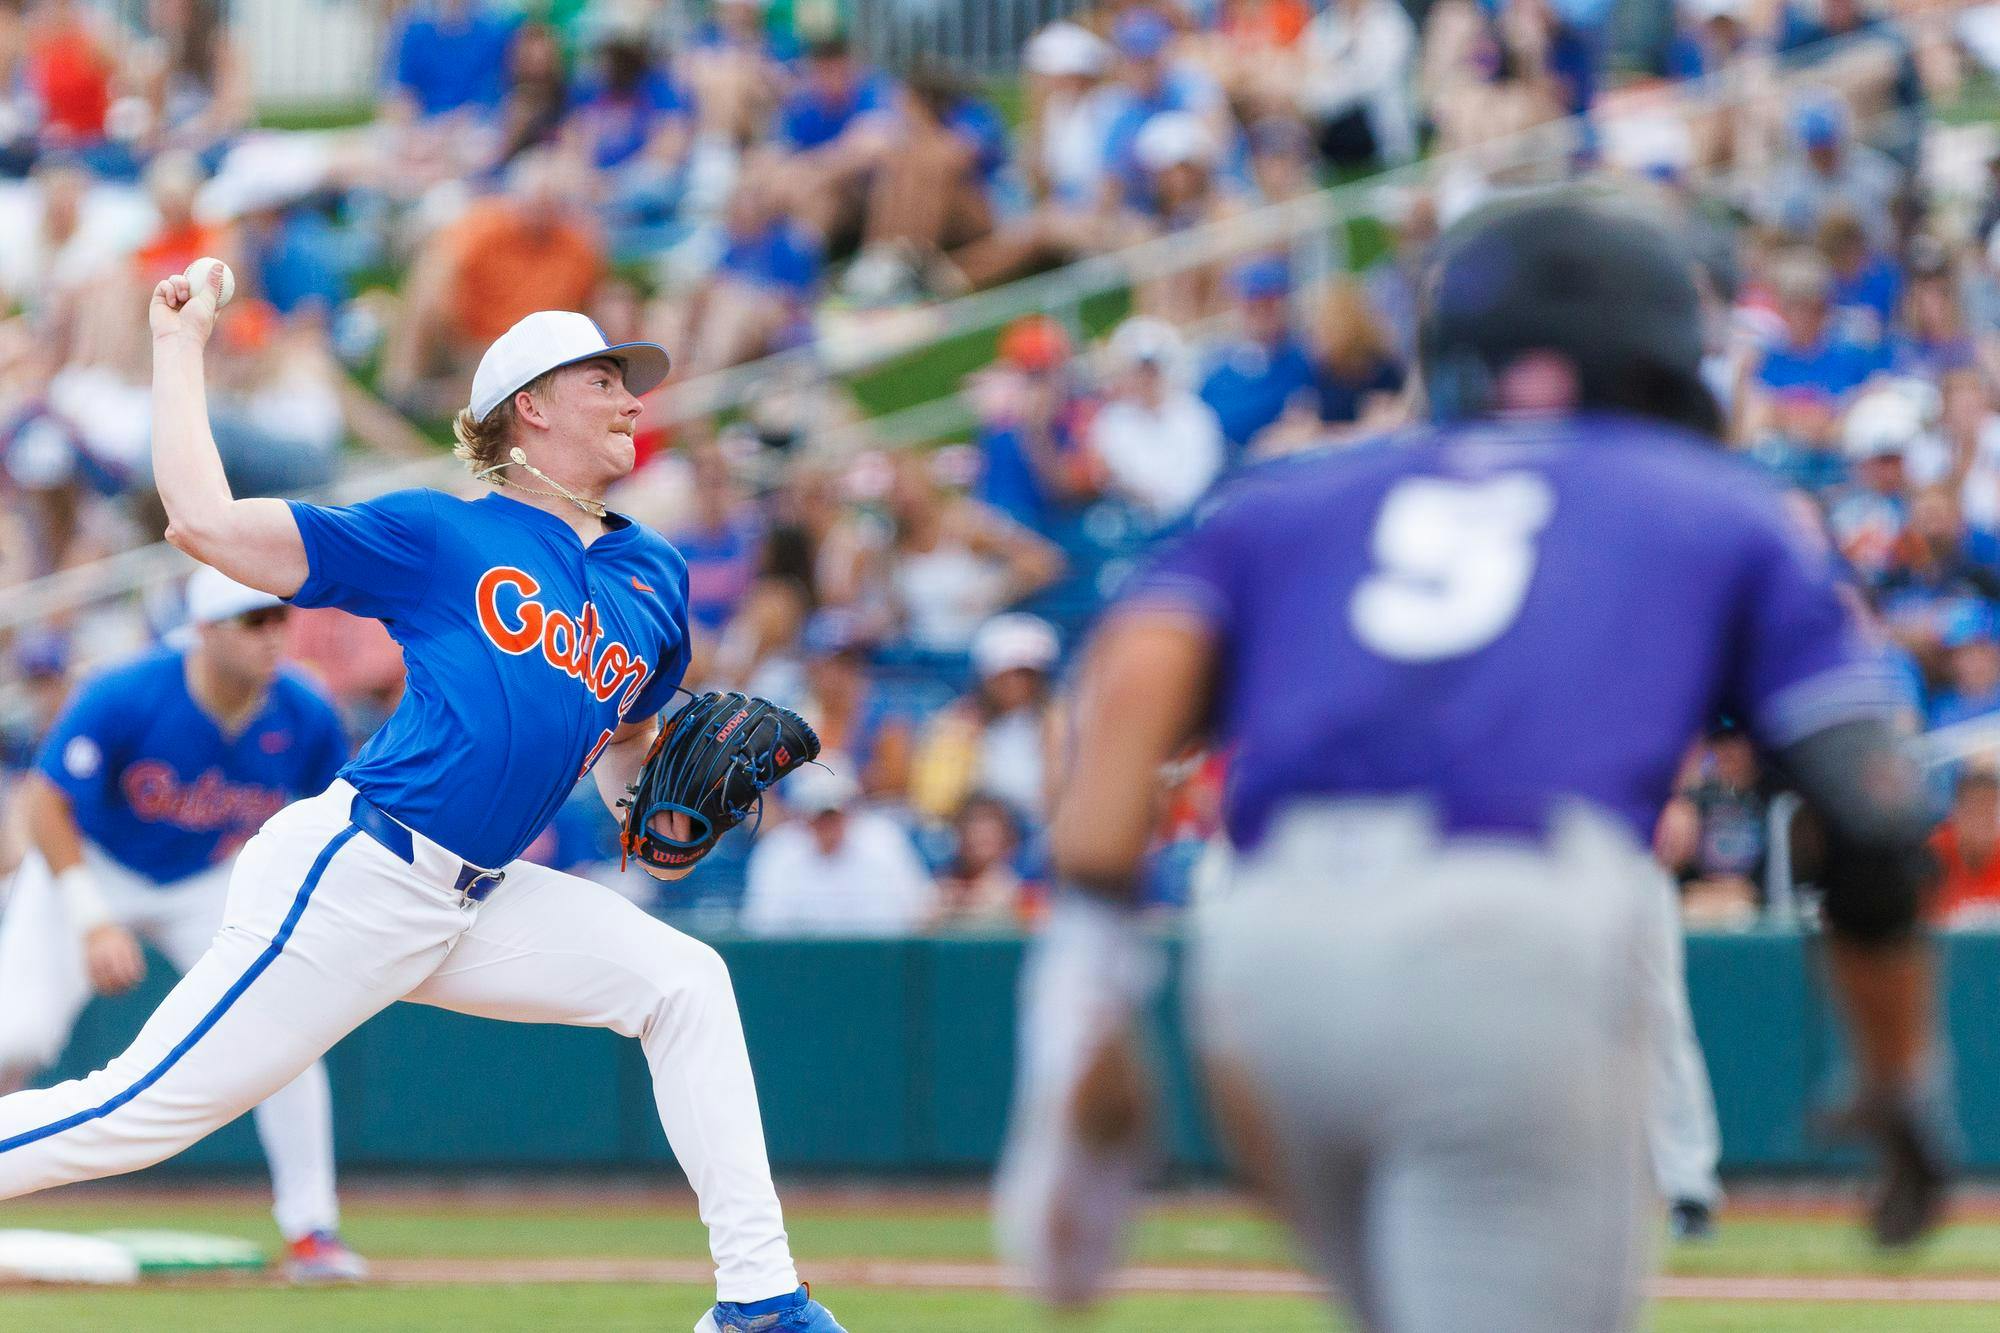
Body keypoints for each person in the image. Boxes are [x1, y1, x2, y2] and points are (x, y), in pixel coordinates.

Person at [997, 195, 1953, 1330]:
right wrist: (1896, 1077)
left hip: (1266, 955)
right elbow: (1872, 814)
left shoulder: (1303, 494)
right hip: (1509, 931)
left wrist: (1086, 984)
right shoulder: (1714, 505)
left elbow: (1132, 669)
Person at [0, 275, 845, 1333]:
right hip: (358, 872)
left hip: (476, 900)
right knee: (133, 1114)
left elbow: (624, 761)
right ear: (530, 406)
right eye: (605, 379)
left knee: (684, 980)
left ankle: (759, 1302)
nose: (633, 398)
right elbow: (205, 524)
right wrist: (180, 345)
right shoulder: (439, 536)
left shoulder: (651, 576)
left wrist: (662, 818)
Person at [0, 568, 361, 1280]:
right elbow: (44, 804)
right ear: (204, 629)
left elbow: (337, 815)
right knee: (21, 1033)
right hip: (88, 863)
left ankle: (313, 1229)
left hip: (207, 877)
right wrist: (91, 918)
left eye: (278, 619)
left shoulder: (304, 711)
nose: (271, 635)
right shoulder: (129, 690)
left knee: (284, 1034)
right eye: (251, 621)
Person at [739, 768, 936, 937]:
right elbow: (762, 927)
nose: (828, 825)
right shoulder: (777, 852)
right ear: (803, 816)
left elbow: (921, 911)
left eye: (834, 814)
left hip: (879, 966)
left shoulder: (885, 841)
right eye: (820, 816)